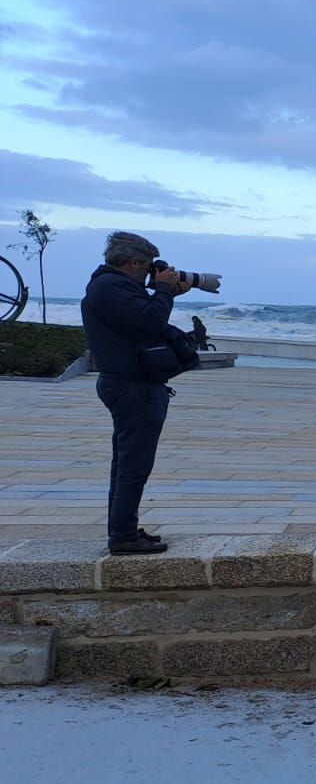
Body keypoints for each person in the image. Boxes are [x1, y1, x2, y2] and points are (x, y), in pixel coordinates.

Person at [79, 231, 192, 555]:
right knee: (133, 465)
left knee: (127, 463)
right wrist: (163, 290)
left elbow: (141, 319)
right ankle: (124, 537)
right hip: (132, 386)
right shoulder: (111, 287)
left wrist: (165, 293)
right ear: (133, 262)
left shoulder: (109, 288)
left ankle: (124, 529)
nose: (149, 275)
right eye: (146, 269)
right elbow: (149, 322)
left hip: (126, 383)